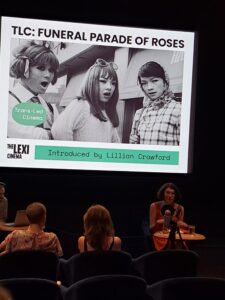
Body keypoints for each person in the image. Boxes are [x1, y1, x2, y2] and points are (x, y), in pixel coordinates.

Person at [52, 58, 120, 143]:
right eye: (103, 81)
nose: (109, 87)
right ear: (91, 82)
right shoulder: (81, 105)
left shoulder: (107, 112)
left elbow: (115, 143)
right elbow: (58, 131)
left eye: (113, 83)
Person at [8, 39, 59, 139]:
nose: (48, 75)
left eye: (51, 70)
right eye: (41, 68)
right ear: (24, 68)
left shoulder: (50, 108)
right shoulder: (6, 101)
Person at [129, 61, 181, 145]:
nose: (149, 87)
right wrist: (133, 142)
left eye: (154, 80)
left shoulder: (179, 110)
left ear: (165, 82)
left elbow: (185, 151)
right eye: (144, 83)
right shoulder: (139, 114)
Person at [149, 182, 188, 250]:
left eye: (173, 193)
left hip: (175, 235)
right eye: (167, 192)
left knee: (179, 241)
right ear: (163, 194)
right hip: (159, 235)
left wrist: (182, 224)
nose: (170, 195)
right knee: (170, 241)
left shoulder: (180, 208)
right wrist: (163, 221)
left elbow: (181, 228)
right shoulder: (154, 206)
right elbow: (151, 228)